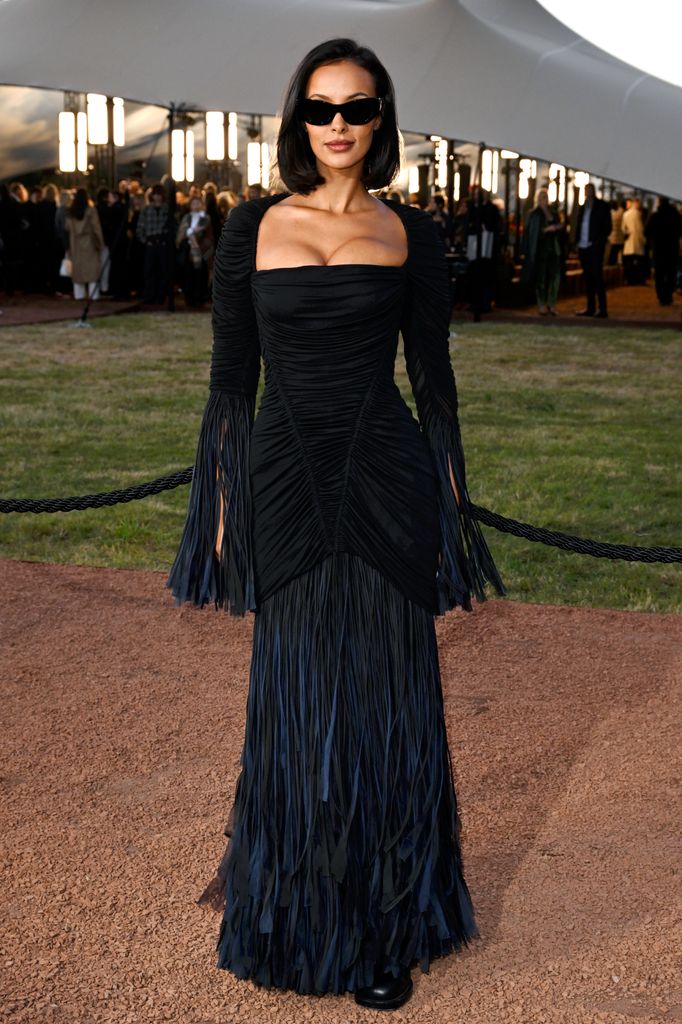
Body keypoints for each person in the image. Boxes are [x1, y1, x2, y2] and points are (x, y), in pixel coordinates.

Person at [166, 36, 505, 1011]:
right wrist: (219, 508)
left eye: (357, 108)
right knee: (297, 700)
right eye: (321, 108)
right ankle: (293, 915)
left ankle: (386, 927)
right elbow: (231, 383)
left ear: (381, 120)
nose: (339, 126)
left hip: (386, 480)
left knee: (384, 704)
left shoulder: (413, 235)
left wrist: (447, 507)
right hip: (283, 482)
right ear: (297, 120)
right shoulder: (251, 230)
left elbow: (433, 385)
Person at [521, 186, 564, 315]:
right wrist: (545, 231)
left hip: (554, 250)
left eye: (545, 197)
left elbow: (557, 224)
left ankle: (552, 303)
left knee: (554, 278)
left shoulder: (553, 212)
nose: (543, 200)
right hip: (540, 250)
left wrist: (556, 227)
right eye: (541, 197)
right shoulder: (533, 214)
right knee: (541, 278)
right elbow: (530, 234)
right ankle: (541, 304)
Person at [574, 182, 611, 318]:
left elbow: (607, 227)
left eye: (589, 190)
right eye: (586, 190)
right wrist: (578, 241)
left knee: (597, 277)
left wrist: (597, 241)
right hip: (583, 247)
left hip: (594, 247)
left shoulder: (602, 206)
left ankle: (602, 308)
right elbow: (579, 224)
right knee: (588, 278)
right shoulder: (583, 207)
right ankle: (590, 307)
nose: (587, 193)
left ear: (593, 191)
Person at [66, 187, 104, 300]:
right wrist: (100, 242)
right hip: (89, 243)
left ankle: (79, 295)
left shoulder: (70, 212)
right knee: (92, 272)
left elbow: (67, 228)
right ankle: (94, 295)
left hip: (75, 244)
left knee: (78, 272)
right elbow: (96, 228)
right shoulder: (91, 211)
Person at [175, 195, 214, 306]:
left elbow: (205, 234)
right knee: (189, 274)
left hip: (201, 250)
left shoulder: (205, 218)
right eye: (193, 203)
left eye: (198, 203)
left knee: (200, 275)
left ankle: (200, 297)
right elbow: (182, 233)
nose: (195, 206)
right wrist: (190, 233)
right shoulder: (187, 217)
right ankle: (189, 297)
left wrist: (192, 234)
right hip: (188, 250)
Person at [136, 184, 171, 304]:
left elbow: (174, 226)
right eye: (155, 194)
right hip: (151, 243)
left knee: (162, 271)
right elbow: (140, 227)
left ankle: (160, 296)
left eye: (159, 195)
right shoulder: (147, 209)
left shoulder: (167, 209)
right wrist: (145, 240)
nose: (157, 197)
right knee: (149, 271)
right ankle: (150, 295)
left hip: (162, 243)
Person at [645, 195, 682, 306]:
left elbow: (647, 231)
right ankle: (668, 294)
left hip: (659, 249)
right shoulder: (675, 216)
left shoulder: (655, 216)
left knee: (660, 274)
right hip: (672, 249)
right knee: (671, 273)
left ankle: (662, 296)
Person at [621, 197, 647, 285]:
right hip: (637, 242)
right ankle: (638, 280)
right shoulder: (638, 214)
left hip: (629, 241)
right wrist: (643, 240)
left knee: (628, 262)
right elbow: (641, 228)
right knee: (639, 262)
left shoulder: (625, 214)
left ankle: (629, 279)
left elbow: (623, 228)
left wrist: (627, 233)